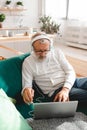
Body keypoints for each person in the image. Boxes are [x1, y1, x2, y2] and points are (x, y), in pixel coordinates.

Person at [22, 32, 87, 104]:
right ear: (33, 49)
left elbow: (70, 71)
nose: (43, 54)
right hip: (57, 90)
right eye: (39, 51)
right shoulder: (28, 62)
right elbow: (27, 84)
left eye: (46, 50)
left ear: (50, 46)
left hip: (72, 81)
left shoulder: (57, 53)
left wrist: (65, 89)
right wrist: (26, 90)